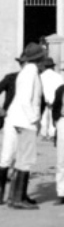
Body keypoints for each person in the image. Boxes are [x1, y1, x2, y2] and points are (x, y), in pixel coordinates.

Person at [0, 43, 45, 209]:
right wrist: (34, 120)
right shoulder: (31, 73)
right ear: (39, 58)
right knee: (26, 161)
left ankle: (17, 196)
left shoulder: (26, 71)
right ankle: (18, 199)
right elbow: (26, 100)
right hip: (26, 121)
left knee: (22, 160)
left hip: (19, 119)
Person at [39, 56, 63, 141]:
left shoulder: (40, 76)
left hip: (44, 101)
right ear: (52, 66)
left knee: (43, 118)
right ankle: (52, 135)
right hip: (55, 100)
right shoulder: (58, 76)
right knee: (54, 117)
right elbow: (60, 90)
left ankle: (44, 134)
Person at [51, 70, 64, 206]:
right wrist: (57, 122)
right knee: (61, 161)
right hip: (63, 124)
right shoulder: (60, 90)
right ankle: (62, 193)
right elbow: (55, 108)